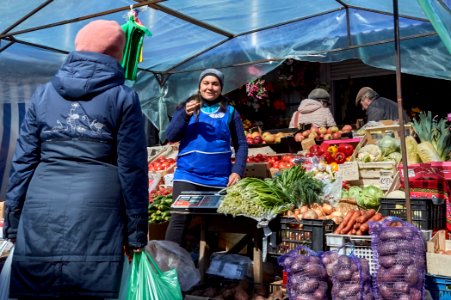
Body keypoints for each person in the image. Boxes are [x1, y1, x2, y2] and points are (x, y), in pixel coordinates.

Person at [3, 20, 149, 299]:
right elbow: (132, 169)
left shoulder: (43, 94)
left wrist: (12, 220)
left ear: (78, 47)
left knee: (37, 288)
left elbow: (23, 161)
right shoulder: (123, 96)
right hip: (99, 208)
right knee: (90, 288)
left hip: (41, 203)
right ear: (118, 53)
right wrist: (136, 231)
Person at [164, 68, 248, 246]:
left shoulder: (231, 112)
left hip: (218, 178)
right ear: (199, 86)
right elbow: (170, 136)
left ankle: (208, 266)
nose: (210, 87)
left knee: (214, 224)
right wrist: (185, 115)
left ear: (221, 88)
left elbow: (241, 144)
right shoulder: (187, 107)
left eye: (215, 84)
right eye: (206, 83)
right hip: (188, 175)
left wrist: (238, 171)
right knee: (179, 219)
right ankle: (168, 265)